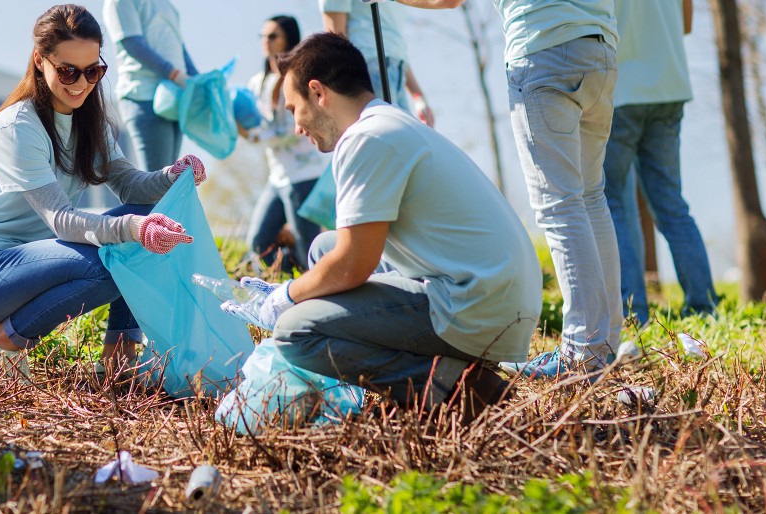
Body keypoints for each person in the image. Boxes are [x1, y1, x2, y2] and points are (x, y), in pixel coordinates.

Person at [222, 33, 543, 420]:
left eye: (294, 109)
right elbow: (343, 255)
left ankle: (458, 387)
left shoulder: (366, 139)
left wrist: (287, 296)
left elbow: (352, 265)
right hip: (491, 292)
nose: (296, 127)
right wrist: (302, 291)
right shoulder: (388, 123)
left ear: (318, 92)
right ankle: (440, 372)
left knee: (296, 331)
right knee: (323, 248)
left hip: (478, 305)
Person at [0, 5, 204, 380]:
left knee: (144, 220)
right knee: (119, 261)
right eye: (68, 71)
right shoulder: (18, 127)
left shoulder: (89, 122)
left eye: (93, 70)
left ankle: (120, 360)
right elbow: (61, 220)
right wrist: (134, 230)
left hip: (40, 262)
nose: (81, 83)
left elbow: (132, 186)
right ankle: (6, 337)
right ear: (39, 60)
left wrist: (171, 176)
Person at [485, 0, 623, 379]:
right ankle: (605, 343)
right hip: (600, 48)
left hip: (543, 49)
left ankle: (583, 351)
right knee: (591, 197)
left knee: (559, 205)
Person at [603, 0, 714, 326]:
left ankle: (634, 314)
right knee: (671, 205)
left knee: (613, 205)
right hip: (670, 84)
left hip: (621, 90)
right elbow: (686, 24)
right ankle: (704, 308)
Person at [243, 15, 329, 273]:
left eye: (272, 36)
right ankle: (291, 287)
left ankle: (317, 294)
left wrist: (258, 136)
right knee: (258, 243)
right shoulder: (257, 81)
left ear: (288, 39)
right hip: (277, 176)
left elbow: (298, 125)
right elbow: (255, 122)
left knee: (309, 249)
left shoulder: (298, 78)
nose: (266, 42)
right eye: (263, 36)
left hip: (303, 174)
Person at [102, 0, 198, 171]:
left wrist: (198, 81)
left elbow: (179, 49)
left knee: (169, 182)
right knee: (157, 181)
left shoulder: (166, 4)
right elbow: (132, 44)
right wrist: (174, 74)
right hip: (143, 96)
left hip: (175, 97)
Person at [319, 0, 434, 126]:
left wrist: (417, 95)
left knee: (399, 141)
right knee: (388, 139)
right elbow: (335, 41)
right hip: (368, 69)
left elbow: (392, 45)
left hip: (394, 70)